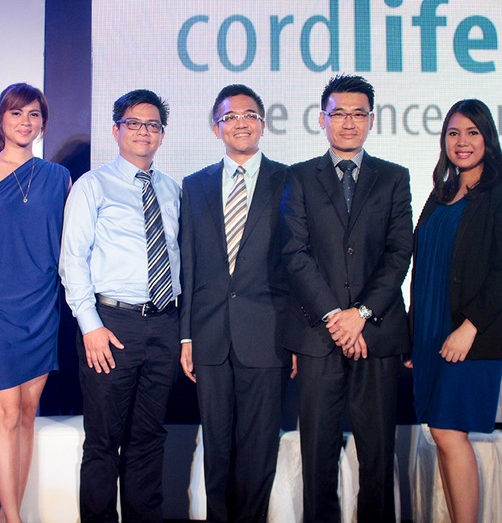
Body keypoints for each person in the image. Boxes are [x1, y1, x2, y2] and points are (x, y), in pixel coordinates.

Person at [280, 74, 413, 522]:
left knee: (377, 459)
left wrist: (362, 314)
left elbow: (399, 253)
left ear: (372, 120)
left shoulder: (394, 177)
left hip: (378, 334)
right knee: (318, 458)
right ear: (322, 119)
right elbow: (294, 253)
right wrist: (337, 316)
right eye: (339, 113)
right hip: (319, 336)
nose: (349, 122)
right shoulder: (299, 177)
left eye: (359, 114)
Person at [59, 89, 180, 522]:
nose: (144, 132)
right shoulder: (93, 185)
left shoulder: (171, 189)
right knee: (103, 441)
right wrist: (90, 325)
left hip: (164, 322)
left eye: (153, 125)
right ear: (116, 130)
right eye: (134, 123)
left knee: (149, 437)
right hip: (110, 324)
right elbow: (72, 259)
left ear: (161, 135)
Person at [0, 83, 71, 523]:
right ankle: (14, 518)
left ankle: (9, 513)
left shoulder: (59, 177)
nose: (25, 121)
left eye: (34, 114)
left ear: (44, 123)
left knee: (26, 413)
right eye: (17, 112)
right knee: (4, 413)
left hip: (41, 306)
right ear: (1, 119)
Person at [407, 99, 502, 523]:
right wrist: (413, 334)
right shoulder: (439, 195)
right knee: (441, 433)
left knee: (447, 430)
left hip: (468, 333)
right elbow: (422, 268)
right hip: (429, 333)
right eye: (454, 133)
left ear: (487, 139)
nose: (462, 141)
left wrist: (469, 327)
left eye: (473, 132)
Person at [179, 84, 293, 522]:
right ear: (216, 128)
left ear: (263, 124)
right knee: (217, 449)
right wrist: (186, 335)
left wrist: (296, 336)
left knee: (259, 449)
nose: (240, 123)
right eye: (230, 117)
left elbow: (298, 264)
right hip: (209, 337)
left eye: (249, 116)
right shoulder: (195, 185)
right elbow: (188, 264)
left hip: (268, 335)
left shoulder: (289, 180)